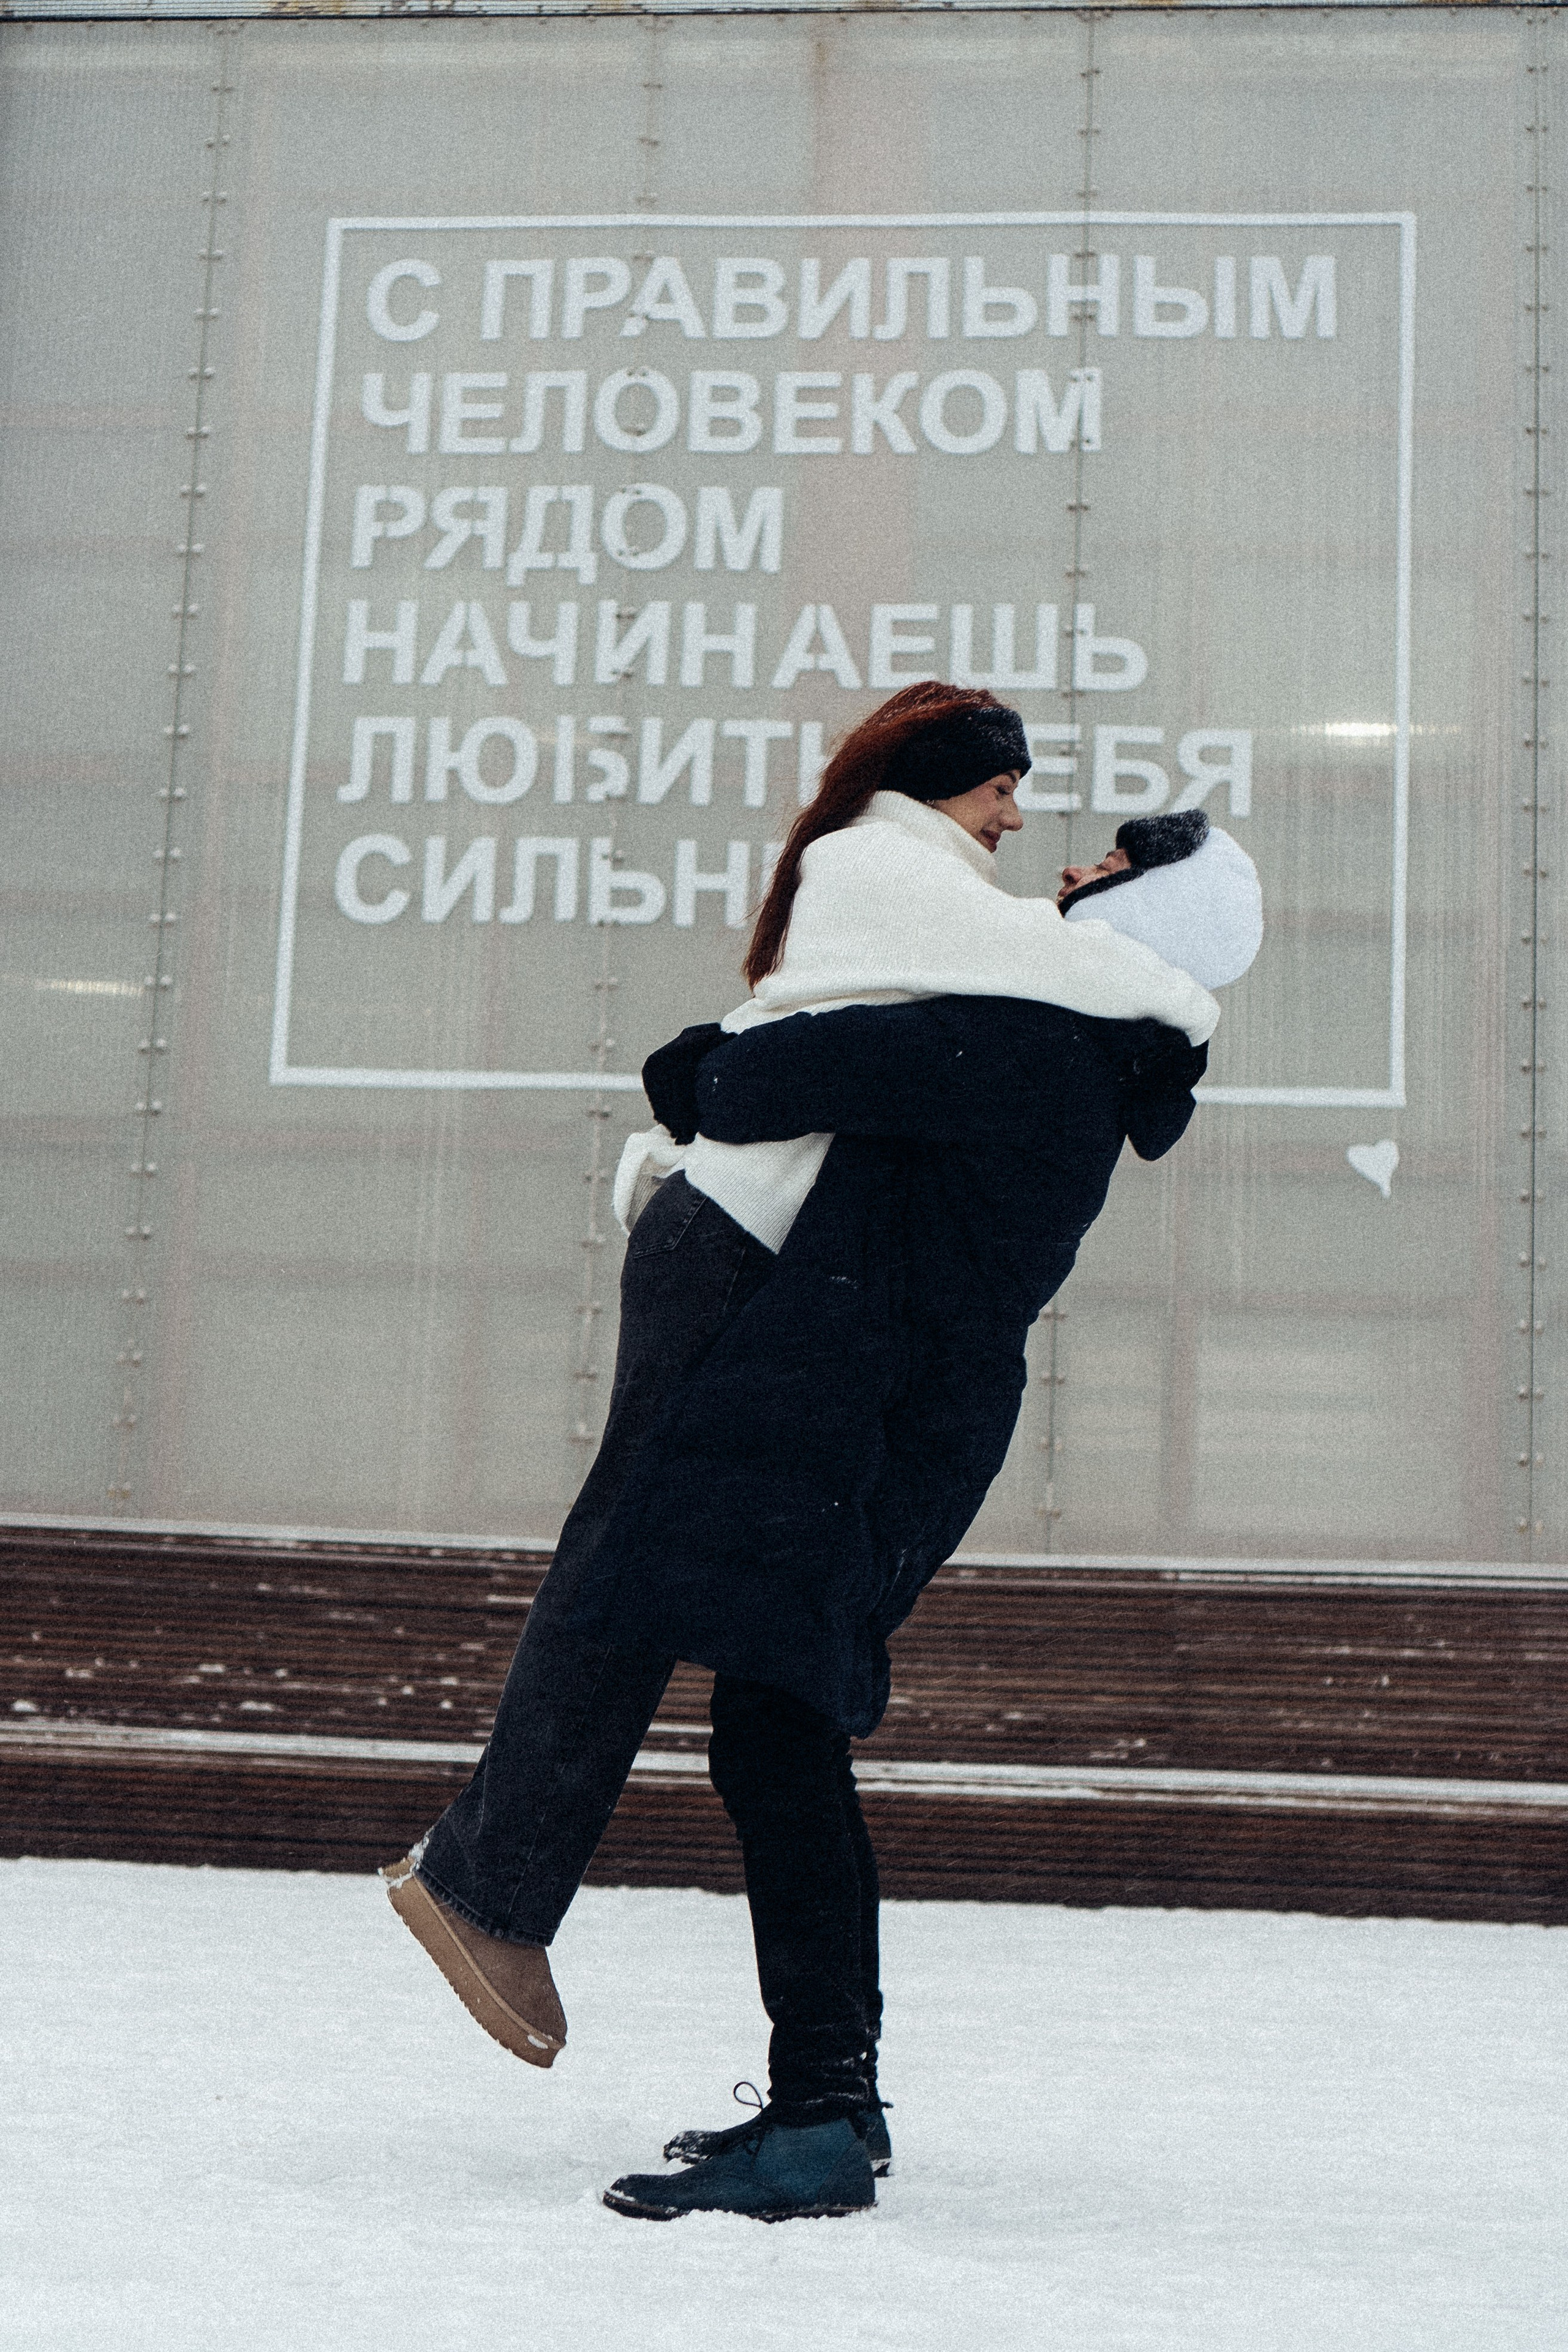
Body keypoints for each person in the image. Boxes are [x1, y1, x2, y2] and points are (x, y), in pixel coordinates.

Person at [382, 684, 1261, 2223]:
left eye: (1103, 874)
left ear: (1136, 924)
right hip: (892, 1415)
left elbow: (733, 1080)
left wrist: (703, 1076)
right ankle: (819, 2105)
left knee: (775, 1741)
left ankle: (823, 2117)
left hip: (864, 1418)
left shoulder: (1017, 1044)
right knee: (772, 1736)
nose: (1063, 877)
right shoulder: (1080, 1055)